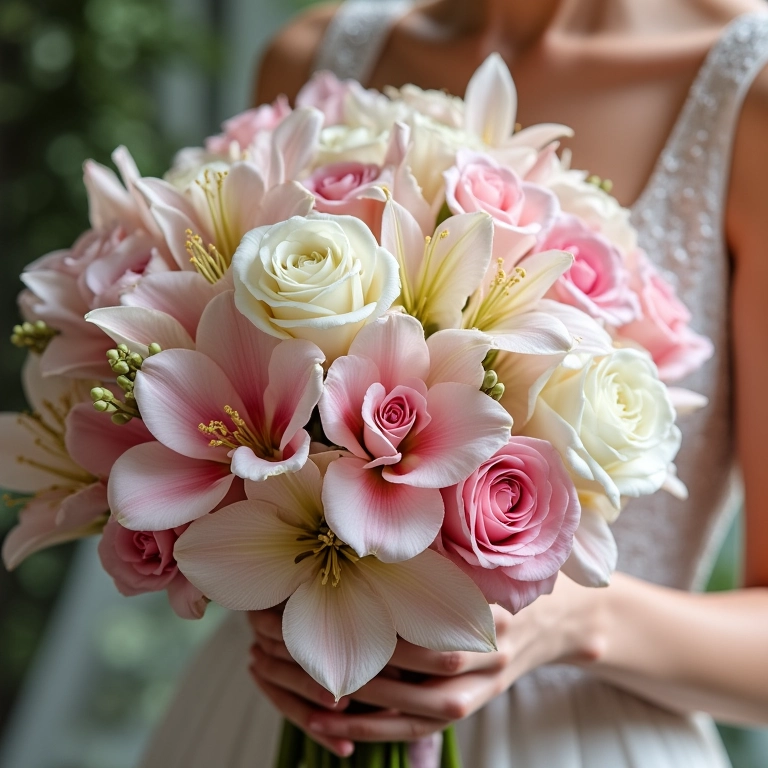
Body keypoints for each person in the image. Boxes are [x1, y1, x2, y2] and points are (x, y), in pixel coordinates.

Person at [140, 0, 768, 765]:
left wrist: (569, 621)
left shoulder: (751, 93)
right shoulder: (313, 54)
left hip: (577, 736)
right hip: (275, 705)